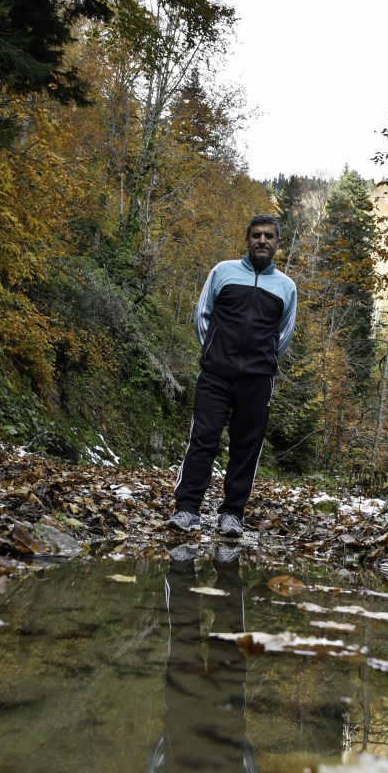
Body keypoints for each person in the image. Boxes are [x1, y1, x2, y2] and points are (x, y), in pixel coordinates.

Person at [168, 214, 297, 537]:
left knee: (246, 447)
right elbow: (203, 315)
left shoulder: (286, 287)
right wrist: (214, 351)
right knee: (203, 440)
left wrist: (262, 360)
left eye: (269, 236)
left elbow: (284, 334)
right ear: (247, 239)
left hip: (257, 380)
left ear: (277, 243)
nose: (262, 241)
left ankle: (232, 514)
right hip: (216, 374)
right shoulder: (222, 272)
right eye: (256, 235)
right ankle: (186, 510)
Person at [148, 543, 255, 773]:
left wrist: (174, 728)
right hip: (227, 706)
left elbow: (156, 772)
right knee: (230, 634)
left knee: (183, 635)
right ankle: (227, 566)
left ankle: (180, 565)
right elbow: (249, 766)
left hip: (183, 704)